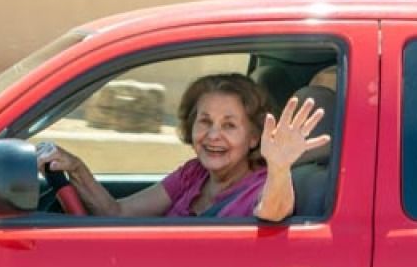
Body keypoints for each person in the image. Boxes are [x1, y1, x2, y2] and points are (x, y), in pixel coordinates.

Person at [36, 72, 329, 220]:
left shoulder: (263, 184)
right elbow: (116, 212)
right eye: (204, 121)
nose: (213, 135)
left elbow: (273, 213)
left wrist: (279, 167)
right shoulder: (194, 174)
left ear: (254, 137)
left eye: (229, 125)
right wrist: (75, 168)